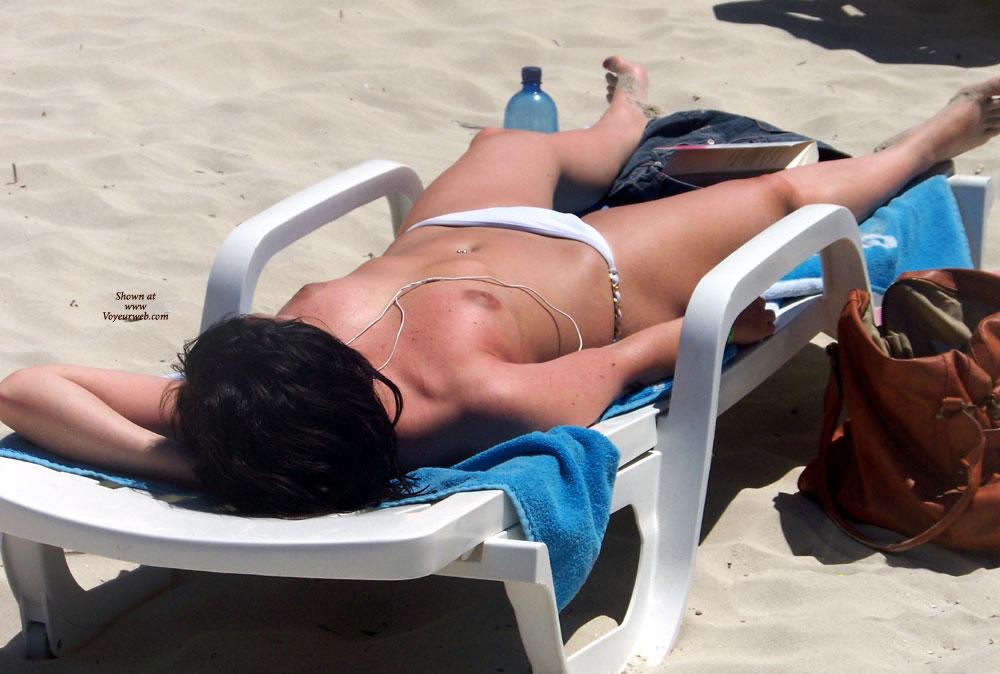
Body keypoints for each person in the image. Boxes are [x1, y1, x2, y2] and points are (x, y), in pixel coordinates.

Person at [1, 57, 997, 516]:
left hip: (448, 230)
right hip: (601, 266)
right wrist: (728, 324)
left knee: (515, 140)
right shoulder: (473, 398)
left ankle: (623, 115)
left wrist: (184, 457)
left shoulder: (243, 407)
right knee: (777, 192)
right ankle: (929, 138)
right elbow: (636, 356)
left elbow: (23, 388)